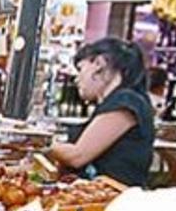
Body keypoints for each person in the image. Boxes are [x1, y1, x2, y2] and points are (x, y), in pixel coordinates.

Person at [48, 38, 155, 188]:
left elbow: (77, 156)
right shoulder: (115, 102)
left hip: (116, 204)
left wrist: (39, 143)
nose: (77, 79)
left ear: (98, 64)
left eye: (80, 69)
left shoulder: (126, 102)